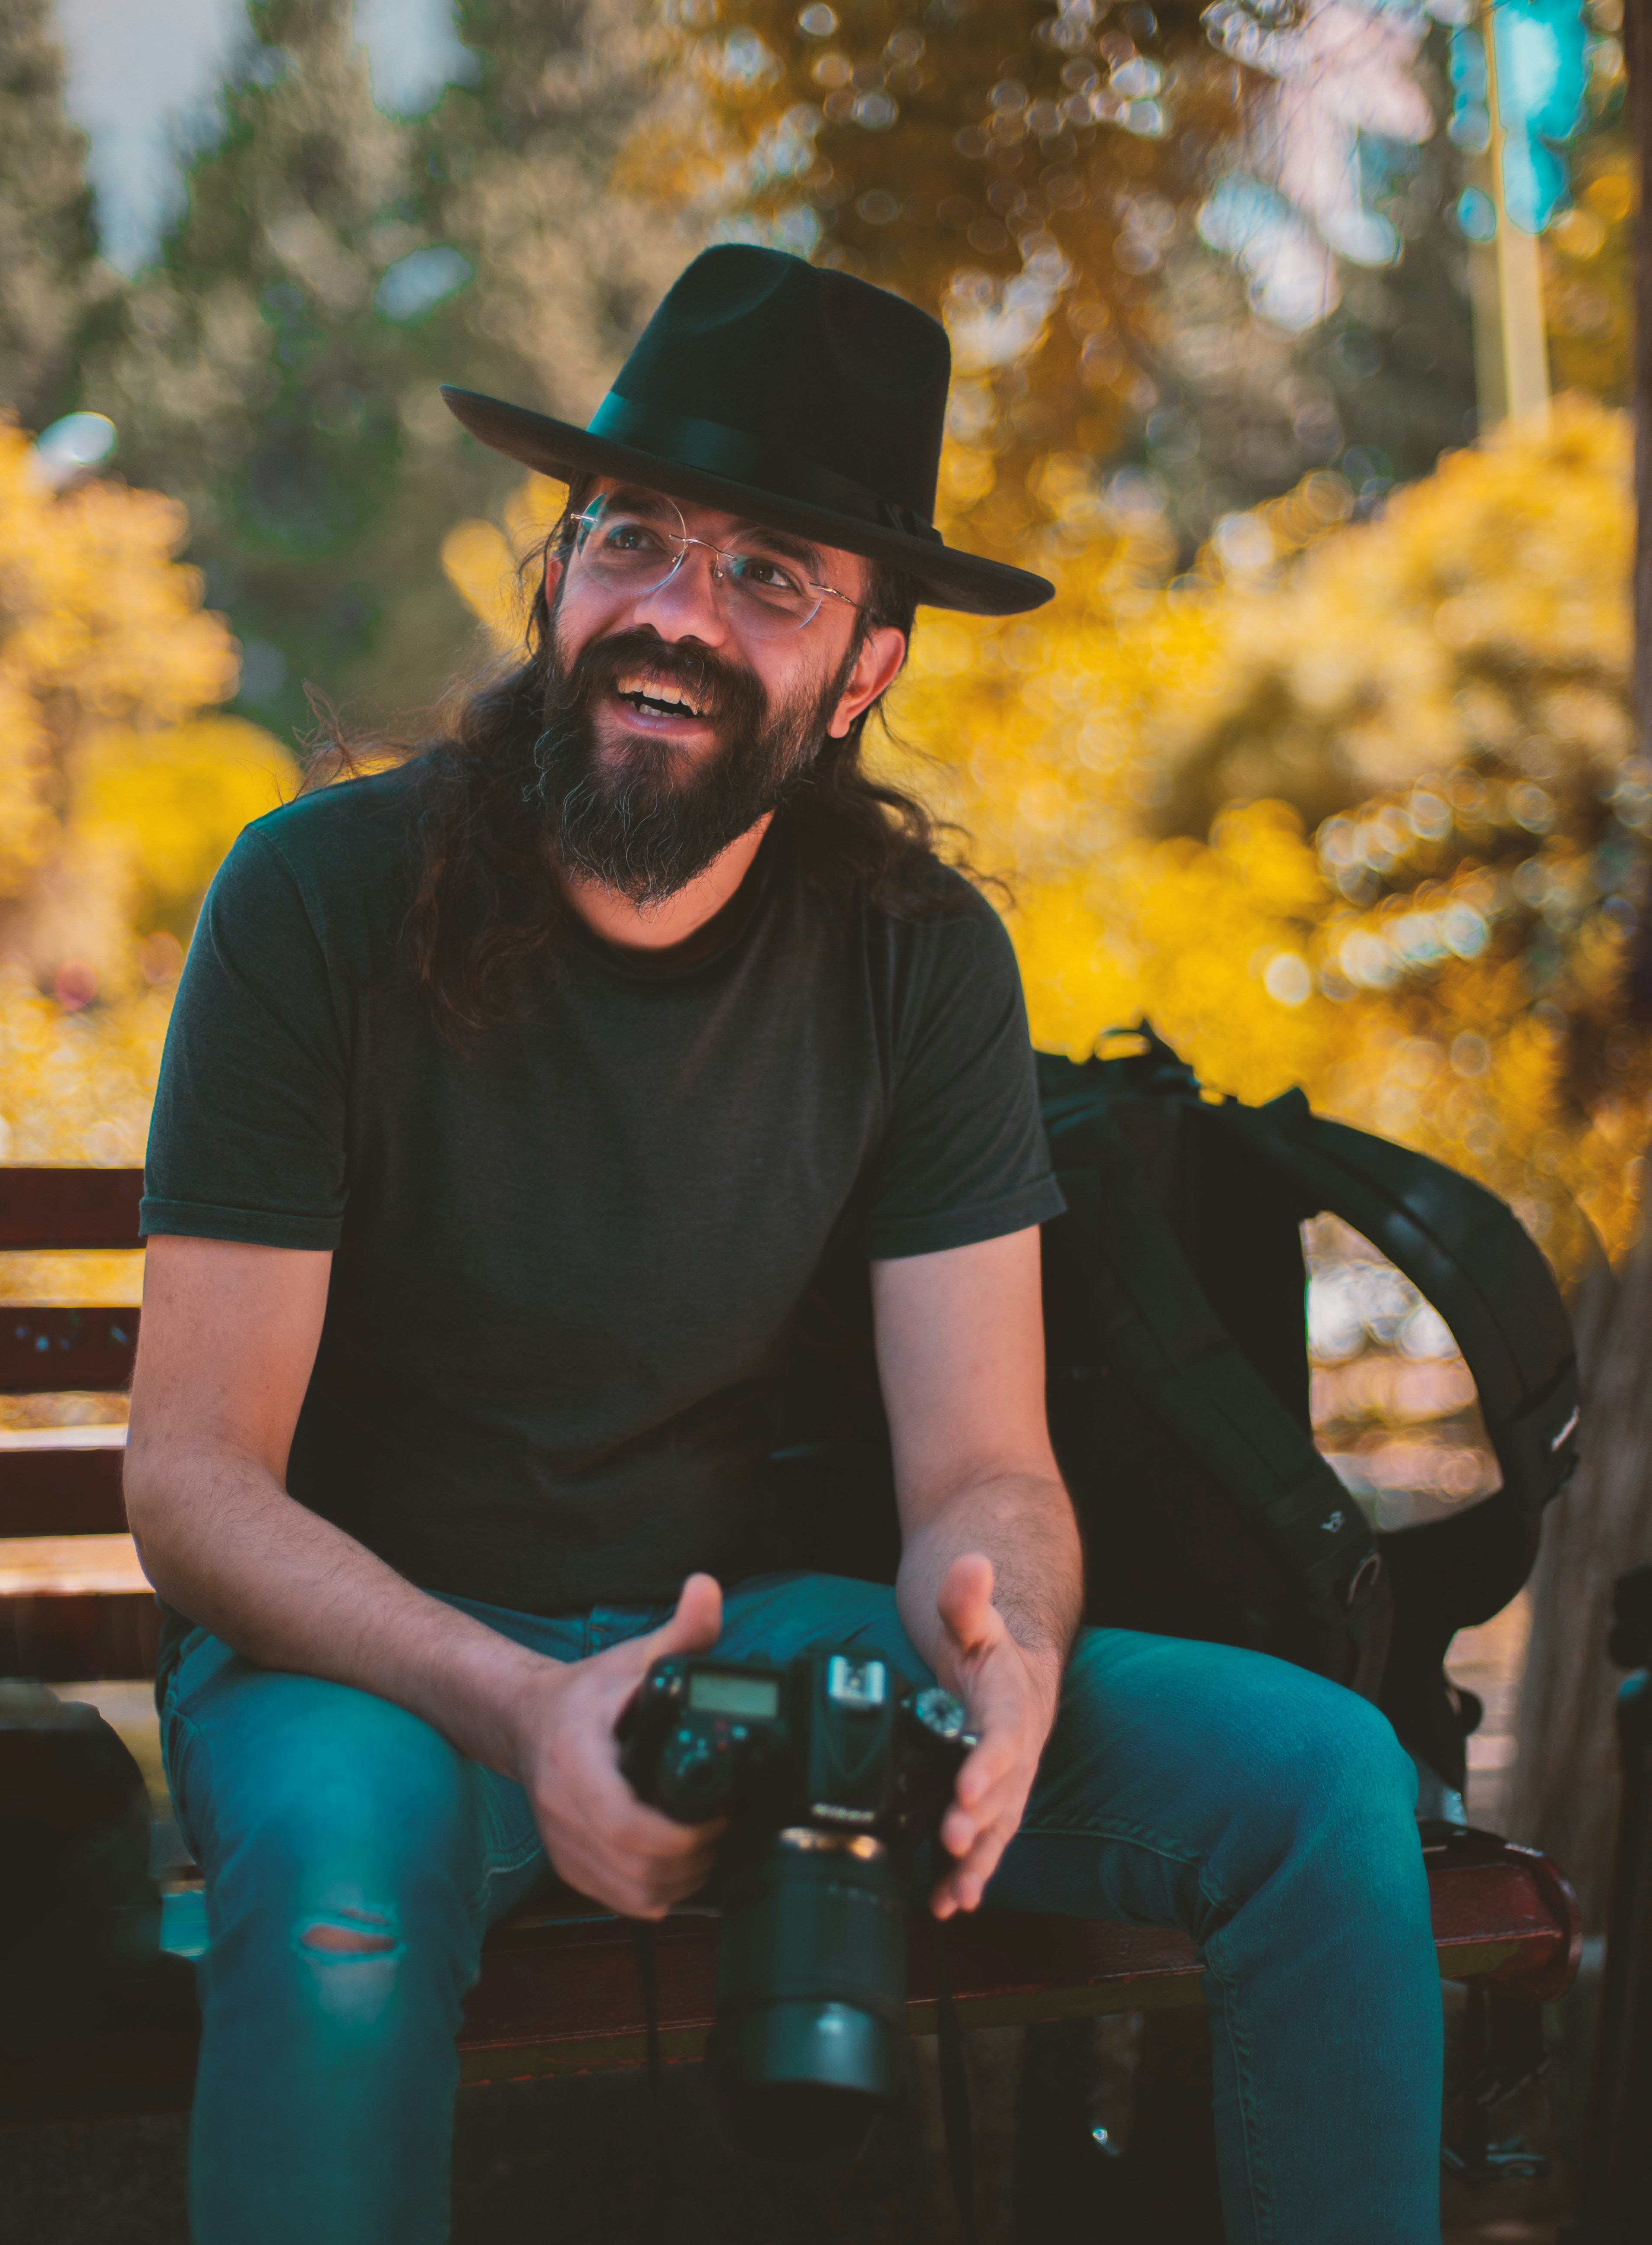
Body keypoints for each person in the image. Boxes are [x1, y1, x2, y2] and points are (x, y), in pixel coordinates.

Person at [125, 246, 1442, 2245]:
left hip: (749, 1647)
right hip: (369, 1672)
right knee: (335, 1900)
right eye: (632, 537)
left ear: (866, 670)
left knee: (1318, 1780)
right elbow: (194, 1481)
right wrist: (515, 1706)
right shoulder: (312, 900)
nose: (675, 612)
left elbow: (984, 1470)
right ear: (556, 573)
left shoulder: (916, 960)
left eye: (766, 575)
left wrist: (1012, 1663)